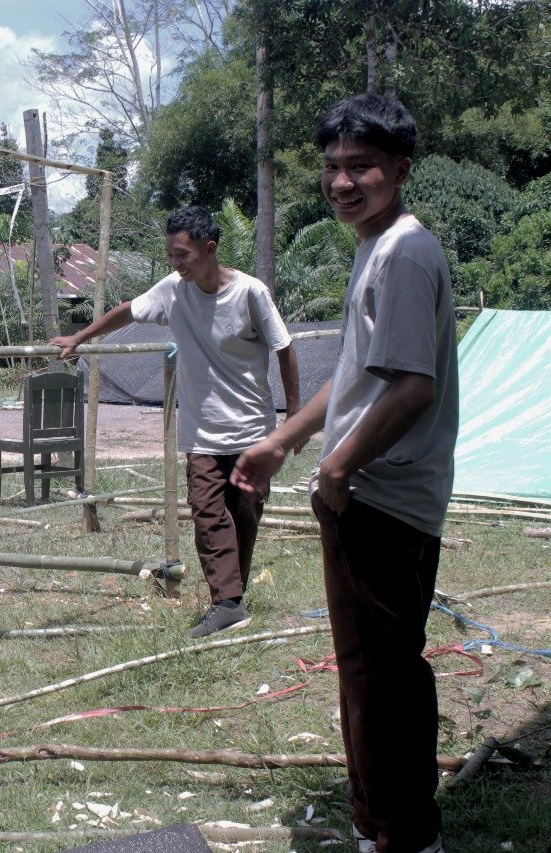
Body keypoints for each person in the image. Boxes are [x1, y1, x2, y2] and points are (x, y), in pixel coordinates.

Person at [232, 94, 456, 853]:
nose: (342, 181)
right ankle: (384, 820)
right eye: (331, 166)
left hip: (381, 497)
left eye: (360, 165)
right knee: (369, 670)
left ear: (400, 168)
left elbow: (412, 388)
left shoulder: (404, 253)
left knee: (381, 679)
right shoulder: (376, 245)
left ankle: (399, 833)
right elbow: (363, 376)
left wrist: (336, 467)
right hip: (368, 489)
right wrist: (283, 440)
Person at [50, 206, 299, 638]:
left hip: (252, 430)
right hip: (202, 432)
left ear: (210, 249)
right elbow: (129, 310)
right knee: (207, 513)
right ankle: (226, 603)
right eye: (171, 256)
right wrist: (80, 337)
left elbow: (284, 347)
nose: (177, 264)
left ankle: (231, 599)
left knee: (244, 515)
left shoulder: (250, 293)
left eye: (183, 255)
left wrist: (294, 416)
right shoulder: (173, 289)